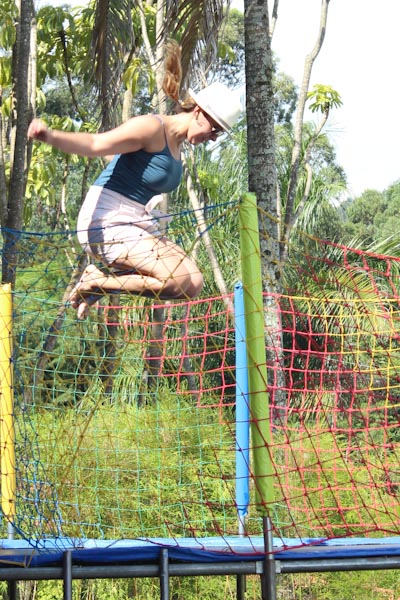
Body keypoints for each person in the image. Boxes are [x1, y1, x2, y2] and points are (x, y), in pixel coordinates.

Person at [28, 42, 242, 319]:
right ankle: (96, 283)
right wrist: (50, 136)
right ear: (200, 112)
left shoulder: (176, 146)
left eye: (217, 135)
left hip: (137, 221)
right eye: (213, 130)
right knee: (174, 279)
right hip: (106, 219)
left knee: (193, 283)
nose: (211, 138)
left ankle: (99, 282)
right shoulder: (152, 127)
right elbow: (96, 144)